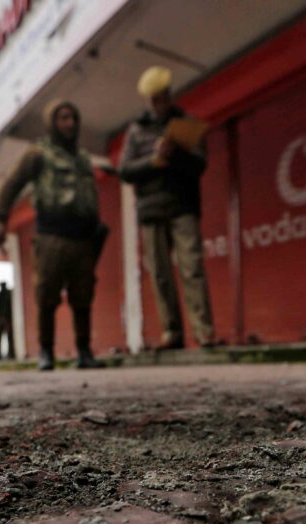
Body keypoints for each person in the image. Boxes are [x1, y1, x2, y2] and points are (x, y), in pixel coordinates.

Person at [0, 99, 106, 371]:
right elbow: (11, 185)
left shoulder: (82, 158)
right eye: (63, 118)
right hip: (51, 234)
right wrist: (1, 219)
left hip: (83, 236)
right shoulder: (38, 154)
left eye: (73, 118)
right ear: (51, 122)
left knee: (83, 295)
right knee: (47, 295)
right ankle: (46, 351)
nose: (69, 124)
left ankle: (84, 351)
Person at [119, 66, 215, 350]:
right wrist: (153, 159)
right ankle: (171, 333)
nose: (156, 103)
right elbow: (125, 169)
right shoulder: (136, 131)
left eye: (160, 97)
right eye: (151, 99)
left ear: (168, 95)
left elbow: (200, 164)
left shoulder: (186, 123)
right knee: (160, 273)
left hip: (182, 205)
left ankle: (204, 332)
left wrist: (176, 155)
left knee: (192, 267)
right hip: (150, 210)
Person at [0, 282, 14, 360]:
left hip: (7, 319)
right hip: (0, 319)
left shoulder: (9, 295)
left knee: (10, 337)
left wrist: (9, 318)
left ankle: (11, 353)